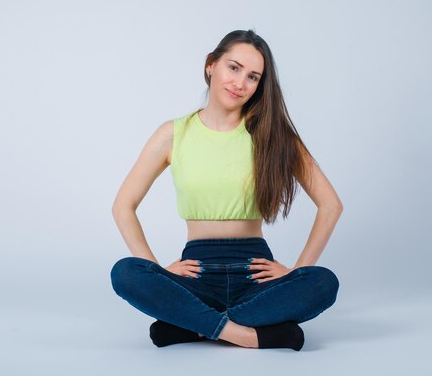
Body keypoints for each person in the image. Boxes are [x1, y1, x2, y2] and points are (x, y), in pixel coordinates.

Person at [110, 29, 343, 350]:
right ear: (211, 66)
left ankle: (192, 326)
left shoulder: (274, 135)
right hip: (196, 277)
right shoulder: (173, 134)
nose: (240, 83)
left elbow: (331, 205)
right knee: (126, 272)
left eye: (253, 77)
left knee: (322, 282)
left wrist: (298, 270)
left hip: (256, 278)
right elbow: (123, 205)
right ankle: (249, 335)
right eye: (233, 68)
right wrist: (156, 270)